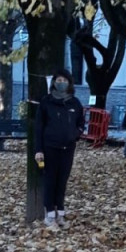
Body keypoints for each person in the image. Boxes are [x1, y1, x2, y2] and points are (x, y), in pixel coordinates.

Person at [34, 70, 84, 228]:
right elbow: (39, 127)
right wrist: (39, 150)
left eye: (64, 80)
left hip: (68, 149)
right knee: (50, 181)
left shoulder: (75, 103)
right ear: (54, 82)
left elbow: (81, 123)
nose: (61, 82)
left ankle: (60, 213)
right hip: (50, 148)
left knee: (62, 181)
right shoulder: (46, 102)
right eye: (58, 80)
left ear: (69, 83)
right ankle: (49, 215)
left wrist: (76, 134)